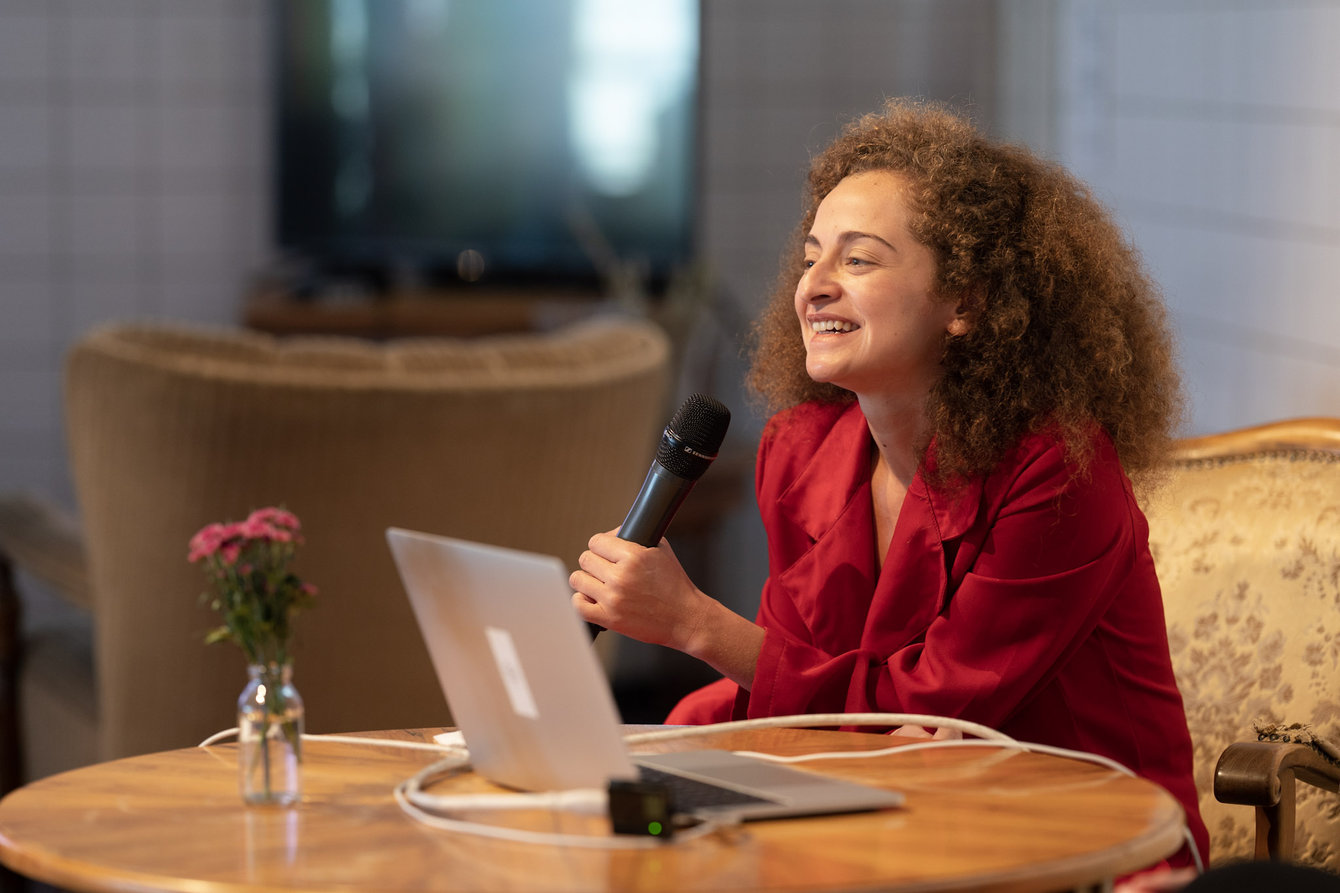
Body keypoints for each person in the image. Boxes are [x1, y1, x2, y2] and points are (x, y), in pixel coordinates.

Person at [570, 98, 1210, 874]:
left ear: (967, 302)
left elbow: (937, 711)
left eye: (858, 259)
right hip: (884, 819)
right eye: (811, 257)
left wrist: (696, 622)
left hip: (1086, 846)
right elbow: (816, 704)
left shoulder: (1058, 468)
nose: (814, 286)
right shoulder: (801, 452)